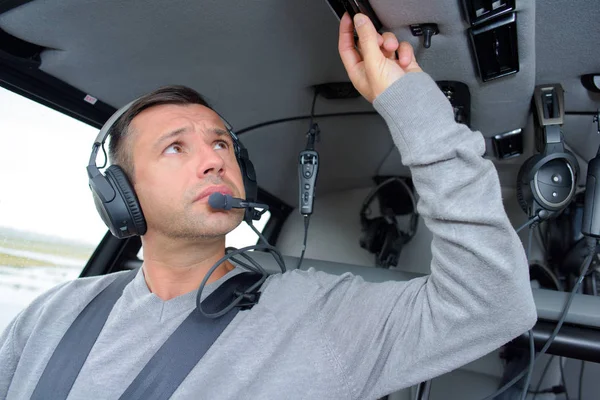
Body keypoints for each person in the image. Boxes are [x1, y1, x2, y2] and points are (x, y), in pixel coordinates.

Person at [0, 12, 536, 400]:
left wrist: (414, 107)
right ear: (120, 194)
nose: (214, 160)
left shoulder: (318, 316)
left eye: (221, 144)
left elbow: (494, 306)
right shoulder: (52, 313)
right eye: (175, 147)